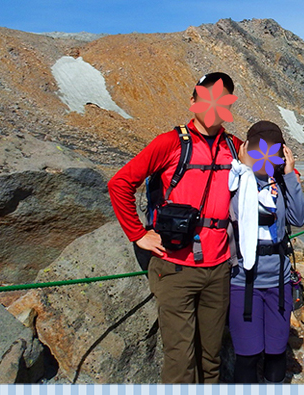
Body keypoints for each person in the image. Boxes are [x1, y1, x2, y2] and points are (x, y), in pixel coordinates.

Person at [108, 72, 242, 384]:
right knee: (180, 361)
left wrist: (289, 173)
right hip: (174, 268)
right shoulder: (169, 143)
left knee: (211, 357)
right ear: (193, 101)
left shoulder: (235, 148)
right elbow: (120, 184)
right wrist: (139, 234)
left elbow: (270, 172)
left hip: (219, 268)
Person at [227, 121, 304, 384]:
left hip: (279, 281)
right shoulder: (235, 180)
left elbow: (299, 217)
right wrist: (243, 168)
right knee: (247, 356)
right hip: (243, 281)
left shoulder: (282, 183)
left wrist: (289, 174)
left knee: (275, 353)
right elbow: (234, 215)